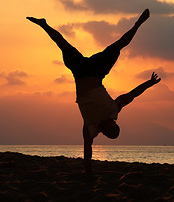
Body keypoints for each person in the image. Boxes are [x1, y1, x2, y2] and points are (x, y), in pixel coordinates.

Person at [26, 9, 161, 172]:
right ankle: (138, 23)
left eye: (108, 133)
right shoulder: (113, 110)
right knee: (120, 45)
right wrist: (150, 83)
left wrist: (88, 170)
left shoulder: (91, 127)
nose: (108, 129)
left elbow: (87, 149)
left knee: (62, 45)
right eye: (112, 129)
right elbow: (131, 95)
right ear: (114, 122)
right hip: (98, 71)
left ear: (103, 134)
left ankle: (43, 24)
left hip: (80, 72)